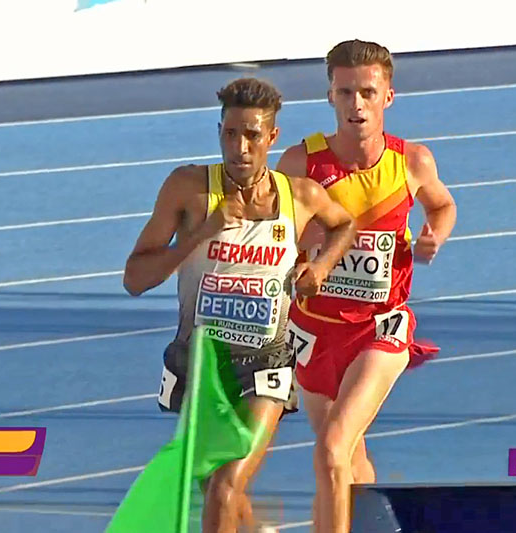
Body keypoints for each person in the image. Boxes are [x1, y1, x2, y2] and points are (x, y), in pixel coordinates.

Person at [123, 77, 356, 533]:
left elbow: (343, 224)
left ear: (272, 136)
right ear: (219, 132)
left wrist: (322, 266)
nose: (240, 148)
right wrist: (201, 233)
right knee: (216, 489)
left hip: (265, 363)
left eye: (252, 135)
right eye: (230, 134)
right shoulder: (190, 189)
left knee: (225, 486)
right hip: (201, 366)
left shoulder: (300, 196)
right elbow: (135, 279)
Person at [276, 40, 457, 533]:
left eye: (367, 93)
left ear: (388, 97)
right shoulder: (299, 164)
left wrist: (434, 233)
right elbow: (274, 234)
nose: (356, 104)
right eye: (345, 92)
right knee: (348, 456)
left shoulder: (412, 161)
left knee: (332, 447)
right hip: (314, 329)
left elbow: (442, 204)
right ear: (330, 97)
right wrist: (304, 246)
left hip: (381, 326)